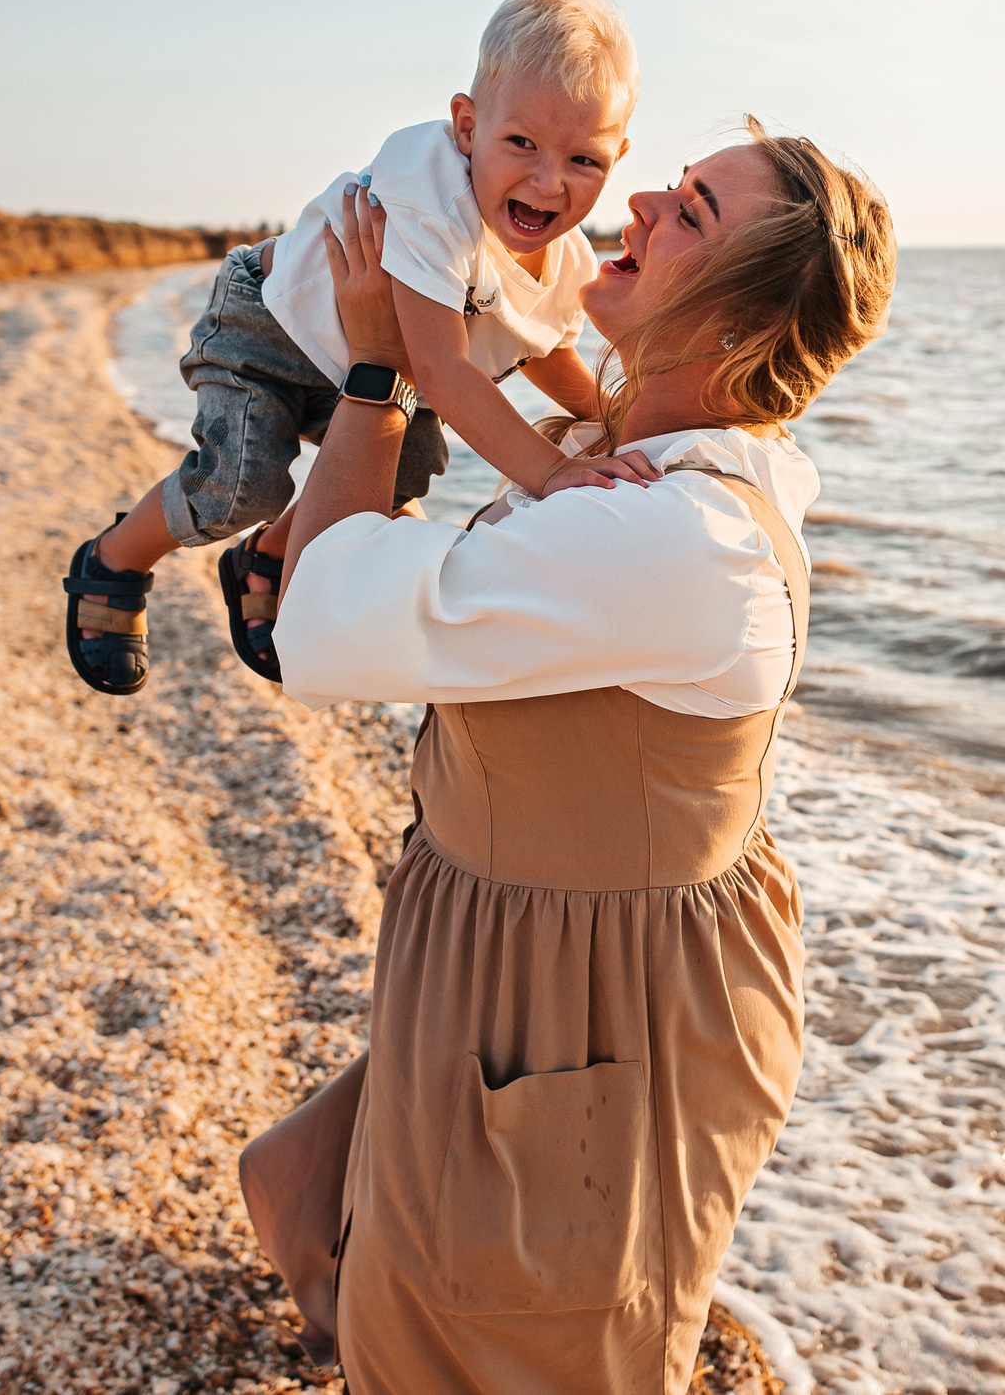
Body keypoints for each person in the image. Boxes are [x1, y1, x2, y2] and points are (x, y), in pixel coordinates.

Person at [238, 120, 895, 1393]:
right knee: (350, 1227)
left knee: (530, 1340)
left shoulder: (674, 538)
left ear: (733, 329)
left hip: (596, 995)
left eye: (694, 211)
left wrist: (380, 369)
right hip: (509, 944)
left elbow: (315, 626)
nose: (641, 199)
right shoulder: (617, 458)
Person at [62, 0, 656, 694]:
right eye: (521, 142)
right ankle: (114, 559)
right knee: (238, 487)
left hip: (365, 369)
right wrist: (553, 471)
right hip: (272, 329)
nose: (547, 181)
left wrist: (627, 424)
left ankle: (268, 559)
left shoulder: (566, 260)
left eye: (581, 160)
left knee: (402, 474)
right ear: (467, 127)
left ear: (617, 157)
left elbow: (546, 349)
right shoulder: (427, 185)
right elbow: (441, 370)